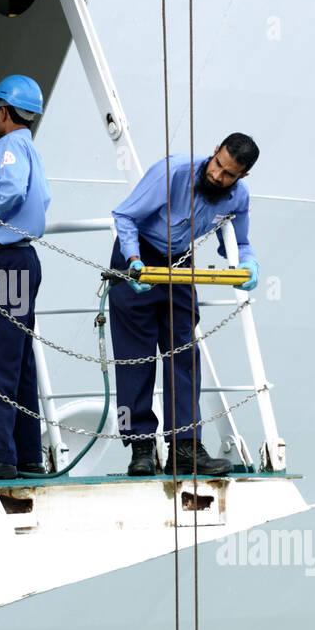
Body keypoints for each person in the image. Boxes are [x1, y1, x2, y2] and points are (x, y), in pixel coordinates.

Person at [108, 133, 261, 477]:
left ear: (242, 176)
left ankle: (185, 446)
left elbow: (240, 240)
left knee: (185, 355)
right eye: (217, 165)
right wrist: (133, 260)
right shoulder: (172, 173)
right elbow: (125, 216)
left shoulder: (237, 196)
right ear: (214, 152)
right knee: (136, 357)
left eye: (228, 174)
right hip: (138, 257)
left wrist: (248, 263)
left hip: (179, 262)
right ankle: (141, 448)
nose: (218, 176)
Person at [0, 74, 52, 480]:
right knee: (19, 361)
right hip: (24, 258)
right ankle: (28, 455)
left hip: (5, 259)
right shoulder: (28, 147)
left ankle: (0, 456)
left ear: (4, 112)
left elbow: (10, 190)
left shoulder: (7, 147)